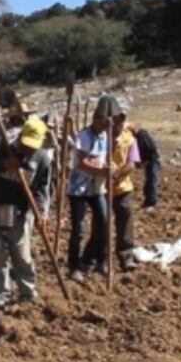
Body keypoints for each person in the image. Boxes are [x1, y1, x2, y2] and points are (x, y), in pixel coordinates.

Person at [0, 116, 51, 310]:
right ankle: (0, 295)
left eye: (33, 147)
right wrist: (3, 164)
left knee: (22, 254)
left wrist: (41, 212)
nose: (28, 150)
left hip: (19, 211)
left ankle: (28, 291)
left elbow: (43, 188)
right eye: (26, 145)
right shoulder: (3, 144)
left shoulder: (42, 158)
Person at [65, 97, 115, 281]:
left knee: (103, 220)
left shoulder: (105, 136)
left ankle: (96, 259)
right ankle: (73, 265)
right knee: (78, 228)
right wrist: (101, 170)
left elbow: (104, 159)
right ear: (95, 119)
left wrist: (108, 169)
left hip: (96, 187)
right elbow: (83, 162)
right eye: (102, 122)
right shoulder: (84, 136)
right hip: (79, 188)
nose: (104, 126)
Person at [111, 106, 141, 270]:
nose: (118, 123)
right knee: (101, 222)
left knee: (125, 218)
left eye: (121, 119)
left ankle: (126, 255)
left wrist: (115, 176)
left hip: (123, 186)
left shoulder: (129, 138)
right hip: (102, 187)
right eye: (116, 119)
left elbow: (132, 163)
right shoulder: (102, 137)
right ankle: (98, 257)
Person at [132, 125, 161, 210]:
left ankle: (151, 202)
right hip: (150, 160)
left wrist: (142, 162)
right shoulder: (140, 137)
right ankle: (148, 201)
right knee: (149, 181)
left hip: (152, 161)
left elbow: (148, 150)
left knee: (151, 181)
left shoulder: (142, 137)